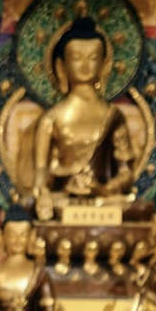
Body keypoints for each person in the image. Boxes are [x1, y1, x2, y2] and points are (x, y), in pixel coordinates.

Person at [31, 17, 139, 220]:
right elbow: (40, 178)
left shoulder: (113, 116)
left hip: (104, 205)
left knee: (132, 208)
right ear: (61, 66)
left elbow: (126, 174)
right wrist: (43, 193)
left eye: (93, 58)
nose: (85, 65)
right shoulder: (51, 119)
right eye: (76, 58)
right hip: (63, 203)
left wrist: (105, 188)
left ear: (104, 65)